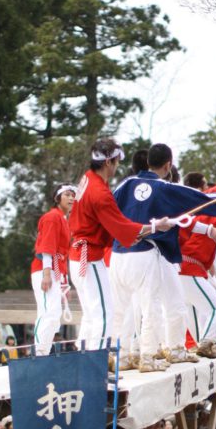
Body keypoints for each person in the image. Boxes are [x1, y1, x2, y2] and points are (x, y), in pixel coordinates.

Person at [110, 143, 216, 371]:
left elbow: (106, 209)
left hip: (118, 253)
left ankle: (123, 355)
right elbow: (201, 200)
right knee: (152, 307)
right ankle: (148, 356)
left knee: (124, 309)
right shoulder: (164, 188)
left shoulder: (125, 185)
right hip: (147, 251)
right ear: (168, 164)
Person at [68, 137, 172, 351]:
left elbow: (116, 224)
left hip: (80, 255)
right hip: (90, 257)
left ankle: (84, 361)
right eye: (116, 161)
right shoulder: (100, 193)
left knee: (93, 315)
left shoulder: (87, 179)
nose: (117, 166)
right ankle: (94, 369)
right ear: (108, 162)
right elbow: (121, 227)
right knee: (104, 316)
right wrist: (154, 227)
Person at [31, 183, 76, 355]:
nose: (72, 198)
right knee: (47, 312)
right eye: (67, 195)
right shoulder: (52, 217)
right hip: (44, 270)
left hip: (54, 271)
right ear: (58, 198)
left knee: (54, 315)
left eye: (73, 195)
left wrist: (64, 283)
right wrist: (47, 275)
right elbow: (47, 248)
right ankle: (39, 352)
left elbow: (61, 254)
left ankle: (44, 350)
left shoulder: (63, 219)